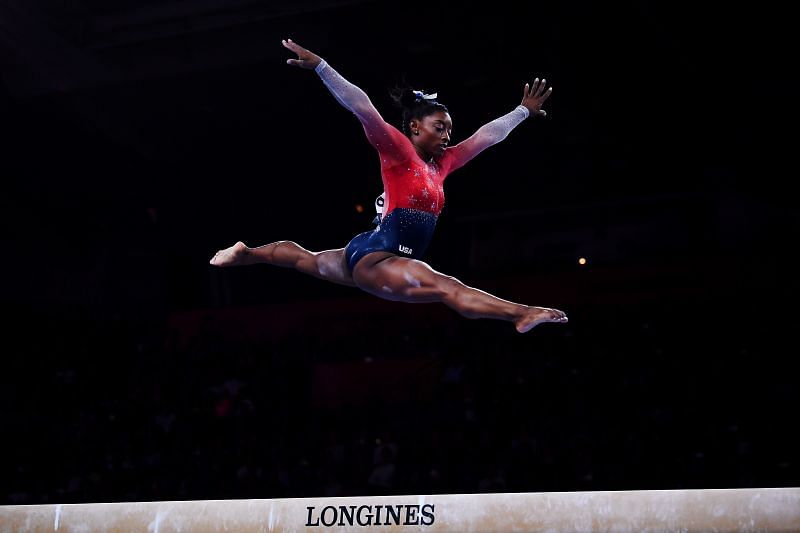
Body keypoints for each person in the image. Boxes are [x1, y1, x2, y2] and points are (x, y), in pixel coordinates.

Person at [210, 38, 567, 333]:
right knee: (448, 288)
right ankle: (521, 312)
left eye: (449, 129)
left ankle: (248, 253)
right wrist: (322, 67)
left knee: (307, 259)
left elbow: (487, 136)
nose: (447, 135)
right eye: (439, 127)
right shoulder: (398, 151)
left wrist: (522, 111)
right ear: (415, 127)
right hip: (379, 258)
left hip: (369, 251)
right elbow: (363, 108)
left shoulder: (443, 164)